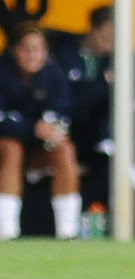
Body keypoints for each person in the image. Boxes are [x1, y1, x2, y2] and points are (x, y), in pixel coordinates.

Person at [0, 22, 81, 240]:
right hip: (7, 148)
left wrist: (51, 129)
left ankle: (68, 231)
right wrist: (31, 128)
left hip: (39, 149)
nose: (32, 55)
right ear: (14, 50)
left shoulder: (54, 74)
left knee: (65, 149)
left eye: (38, 49)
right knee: (11, 148)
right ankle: (6, 231)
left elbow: (62, 112)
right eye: (26, 49)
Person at [50, 4, 114, 208]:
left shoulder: (115, 61)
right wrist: (100, 84)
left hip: (95, 135)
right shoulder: (64, 54)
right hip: (62, 129)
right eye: (106, 35)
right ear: (92, 29)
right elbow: (69, 100)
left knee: (112, 150)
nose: (109, 44)